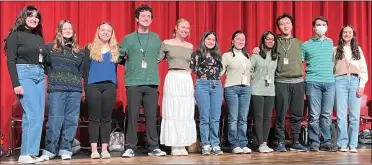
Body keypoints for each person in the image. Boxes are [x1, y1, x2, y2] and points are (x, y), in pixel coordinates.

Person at [252, 13, 307, 152]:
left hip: (298, 82)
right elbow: (263, 46)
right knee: (281, 114)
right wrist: (256, 49)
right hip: (281, 82)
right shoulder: (275, 41)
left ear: (292, 25)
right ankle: (280, 141)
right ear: (279, 27)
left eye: (287, 23)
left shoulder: (300, 43)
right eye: (282, 24)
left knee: (297, 113)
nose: (285, 26)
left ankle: (295, 141)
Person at [120, 4, 166, 157]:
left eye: (148, 16)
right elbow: (120, 56)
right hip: (133, 82)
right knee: (132, 116)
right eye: (143, 16)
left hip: (152, 82)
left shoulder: (156, 38)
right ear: (137, 19)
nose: (146, 18)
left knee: (151, 116)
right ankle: (131, 146)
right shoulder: (129, 38)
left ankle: (153, 146)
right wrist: (129, 65)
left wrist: (151, 64)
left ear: (151, 19)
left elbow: (161, 55)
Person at [4, 5, 47, 164]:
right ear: (24, 17)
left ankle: (29, 153)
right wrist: (16, 84)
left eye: (36, 17)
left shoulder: (39, 38)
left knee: (36, 116)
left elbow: (43, 59)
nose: (34, 19)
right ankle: (26, 153)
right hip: (24, 74)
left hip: (39, 75)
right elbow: (10, 61)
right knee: (33, 113)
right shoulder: (15, 36)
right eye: (31, 15)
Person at [38, 20, 84, 161]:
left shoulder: (79, 51)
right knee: (55, 120)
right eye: (65, 28)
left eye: (70, 28)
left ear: (73, 31)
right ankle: (50, 149)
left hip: (74, 90)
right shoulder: (50, 48)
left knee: (71, 120)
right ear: (59, 31)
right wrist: (55, 76)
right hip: (57, 89)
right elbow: (44, 66)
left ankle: (66, 149)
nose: (68, 30)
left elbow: (81, 70)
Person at [158, 18, 196, 156]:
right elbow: (156, 59)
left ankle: (183, 143)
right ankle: (174, 145)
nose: (185, 30)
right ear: (176, 28)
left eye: (187, 28)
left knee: (185, 111)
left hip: (186, 79)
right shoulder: (166, 43)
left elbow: (193, 63)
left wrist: (189, 73)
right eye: (183, 27)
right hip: (173, 77)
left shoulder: (190, 46)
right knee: (173, 110)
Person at [84, 22, 120, 159]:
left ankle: (104, 148)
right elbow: (86, 69)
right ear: (98, 31)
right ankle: (94, 149)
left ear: (112, 33)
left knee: (106, 119)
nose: (105, 32)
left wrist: (115, 85)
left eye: (108, 31)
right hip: (93, 86)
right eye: (103, 30)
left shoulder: (116, 49)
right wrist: (86, 88)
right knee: (94, 118)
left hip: (109, 86)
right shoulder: (89, 48)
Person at [302, 16, 337, 152]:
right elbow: (296, 61)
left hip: (330, 82)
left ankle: (327, 141)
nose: (320, 27)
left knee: (326, 115)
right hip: (312, 82)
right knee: (314, 115)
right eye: (318, 24)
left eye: (323, 24)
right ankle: (314, 142)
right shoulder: (305, 45)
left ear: (327, 27)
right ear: (313, 27)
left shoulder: (331, 44)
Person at [334, 25, 368, 153]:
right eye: (345, 32)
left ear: (353, 35)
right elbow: (331, 68)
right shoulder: (336, 50)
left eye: (349, 32)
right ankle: (343, 143)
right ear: (341, 34)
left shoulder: (357, 50)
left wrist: (361, 85)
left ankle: (353, 144)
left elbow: (363, 69)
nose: (347, 34)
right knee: (341, 115)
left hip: (354, 81)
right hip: (339, 81)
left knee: (354, 115)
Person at [190, 31, 224, 155]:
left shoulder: (218, 55)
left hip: (216, 85)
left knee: (215, 117)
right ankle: (205, 144)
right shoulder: (197, 54)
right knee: (204, 117)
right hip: (202, 85)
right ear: (203, 40)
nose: (211, 41)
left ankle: (215, 144)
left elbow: (220, 71)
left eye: (213, 40)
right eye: (208, 39)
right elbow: (190, 70)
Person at [220, 30, 252, 154]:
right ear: (232, 41)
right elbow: (220, 71)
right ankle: (234, 144)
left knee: (243, 118)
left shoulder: (247, 56)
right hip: (232, 88)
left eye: (242, 39)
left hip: (246, 88)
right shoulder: (226, 55)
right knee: (233, 118)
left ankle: (243, 142)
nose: (240, 41)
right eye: (238, 39)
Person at [250, 31, 277, 153]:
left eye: (272, 39)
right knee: (259, 117)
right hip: (257, 89)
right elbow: (249, 70)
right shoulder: (255, 55)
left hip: (270, 90)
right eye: (268, 39)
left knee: (267, 117)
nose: (270, 41)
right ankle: (260, 143)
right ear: (263, 40)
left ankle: (265, 143)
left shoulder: (276, 55)